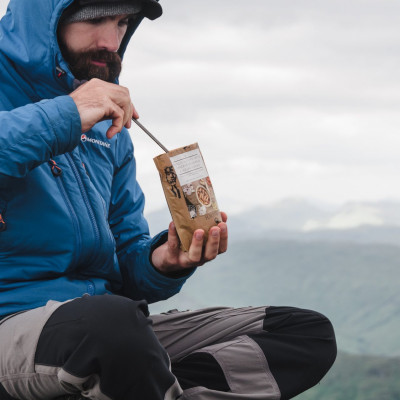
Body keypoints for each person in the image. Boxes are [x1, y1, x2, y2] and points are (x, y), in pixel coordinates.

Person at [0, 0, 337, 399]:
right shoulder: (80, 108)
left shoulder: (109, 125)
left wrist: (164, 262)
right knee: (110, 328)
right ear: (47, 21)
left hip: (104, 325)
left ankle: (141, 381)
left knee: (303, 332)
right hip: (18, 324)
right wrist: (69, 113)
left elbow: (125, 262)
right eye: (94, 21)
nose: (111, 41)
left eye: (123, 22)